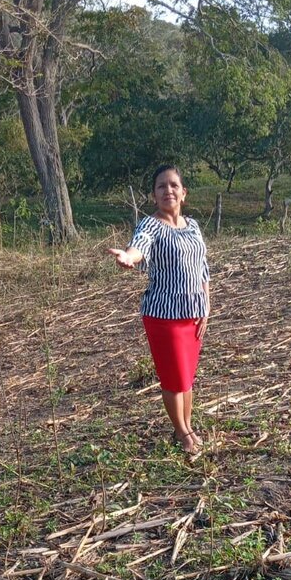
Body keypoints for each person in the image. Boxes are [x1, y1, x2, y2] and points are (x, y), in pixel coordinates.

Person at [108, 165, 210, 457]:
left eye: (174, 185)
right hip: (164, 316)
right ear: (154, 195)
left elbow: (202, 268)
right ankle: (182, 432)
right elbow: (139, 246)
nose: (168, 191)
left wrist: (207, 306)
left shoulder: (192, 226)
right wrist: (128, 256)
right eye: (162, 186)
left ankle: (186, 426)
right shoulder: (150, 225)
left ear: (184, 192)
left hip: (194, 314)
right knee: (173, 378)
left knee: (187, 378)